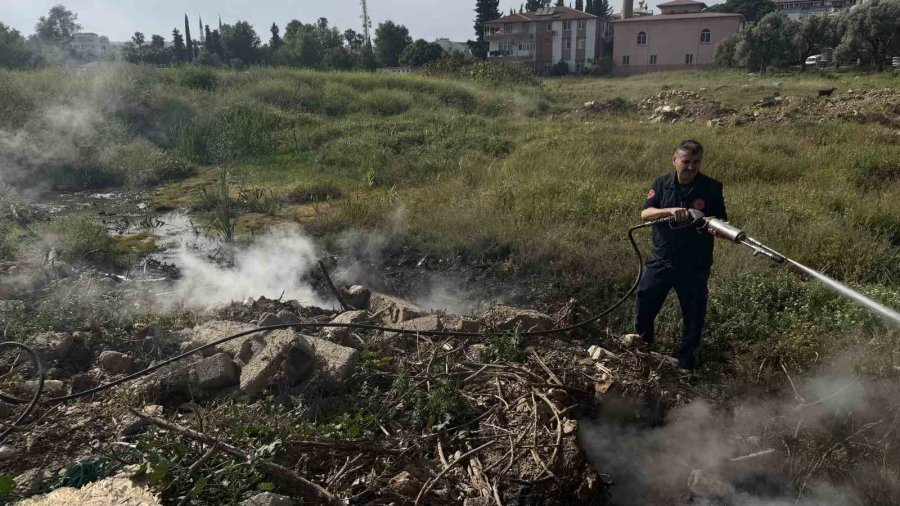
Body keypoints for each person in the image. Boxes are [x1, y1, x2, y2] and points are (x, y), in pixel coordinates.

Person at [635, 140, 727, 371]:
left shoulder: (711, 187)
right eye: (686, 161)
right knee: (644, 301)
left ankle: (687, 363)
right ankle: (641, 352)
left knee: (694, 314)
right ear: (675, 160)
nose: (691, 167)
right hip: (662, 261)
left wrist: (715, 227)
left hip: (694, 265)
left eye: (696, 162)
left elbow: (721, 221)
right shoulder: (662, 183)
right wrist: (669, 211)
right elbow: (645, 214)